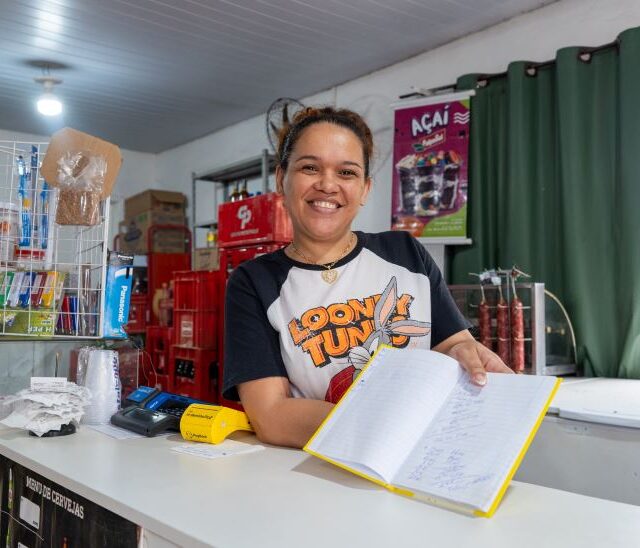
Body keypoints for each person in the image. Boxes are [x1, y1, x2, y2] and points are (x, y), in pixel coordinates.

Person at [223, 106, 511, 448]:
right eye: (310, 167)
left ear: (365, 189)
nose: (327, 184)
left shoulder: (405, 253)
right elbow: (271, 416)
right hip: (321, 467)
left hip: (416, 458)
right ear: (281, 179)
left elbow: (452, 344)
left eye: (346, 172)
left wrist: (468, 353)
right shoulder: (254, 282)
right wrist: (386, 425)